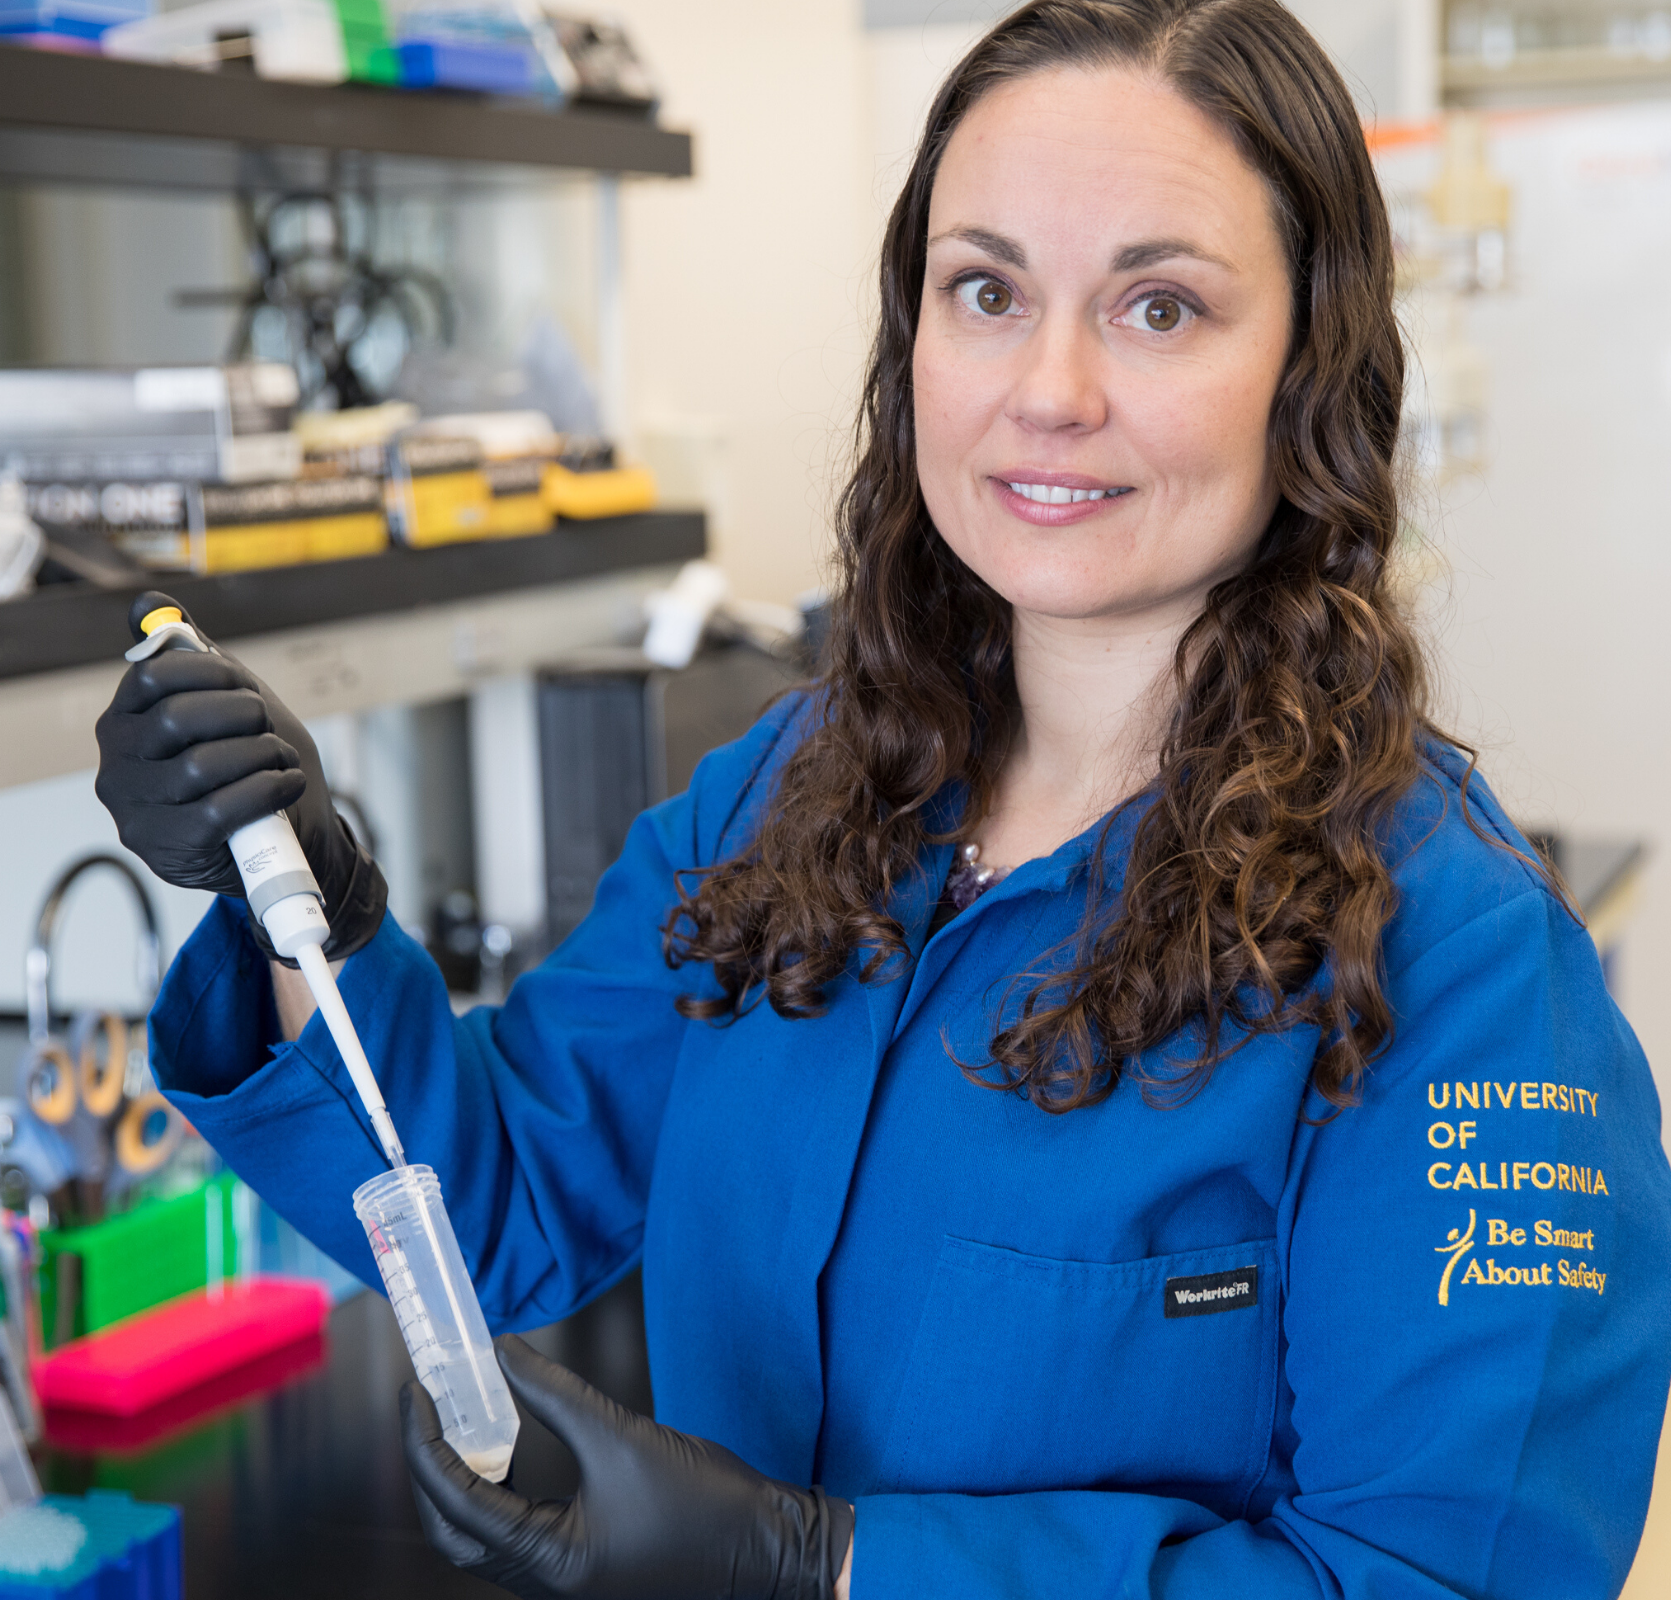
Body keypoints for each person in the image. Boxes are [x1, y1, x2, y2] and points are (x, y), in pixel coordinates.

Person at [93, 1, 1671, 1594]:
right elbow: (489, 1206)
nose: (1048, 389)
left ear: (1313, 365)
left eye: (1161, 308)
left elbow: (1441, 1575)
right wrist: (305, 901)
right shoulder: (783, 805)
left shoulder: (1460, 972)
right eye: (986, 290)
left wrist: (829, 1567)